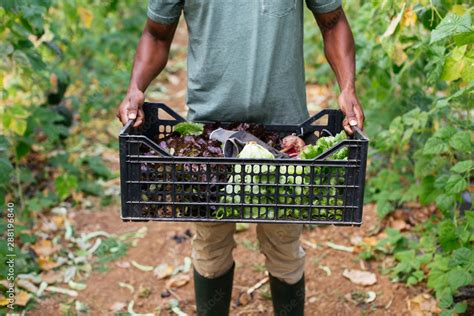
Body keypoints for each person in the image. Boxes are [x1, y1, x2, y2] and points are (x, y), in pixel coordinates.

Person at [117, 1, 364, 315]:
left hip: (284, 136)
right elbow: (157, 34)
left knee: (284, 248)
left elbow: (333, 22)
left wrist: (347, 87)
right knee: (210, 247)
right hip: (209, 138)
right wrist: (136, 87)